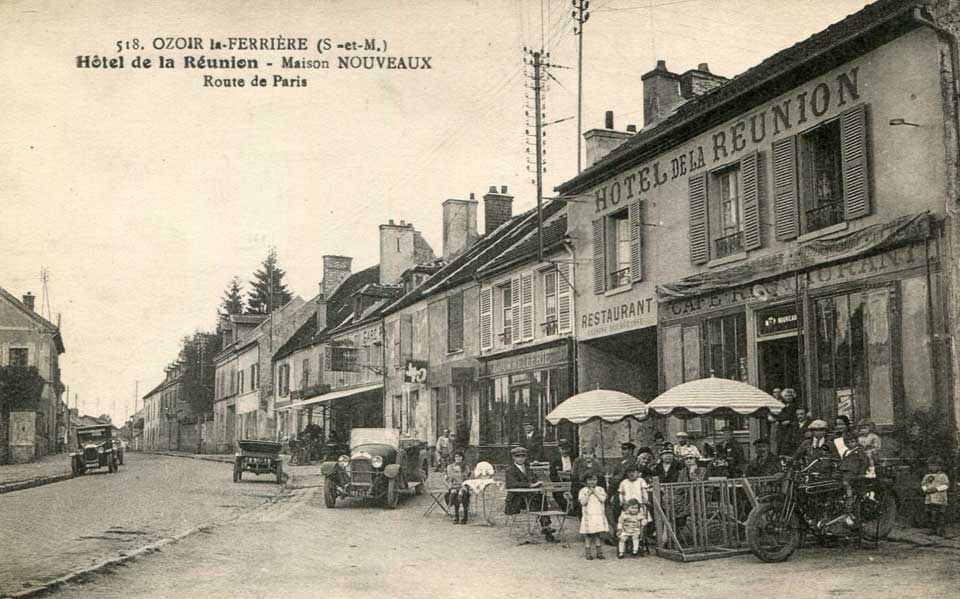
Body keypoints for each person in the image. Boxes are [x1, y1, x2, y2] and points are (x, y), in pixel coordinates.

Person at [504, 446, 555, 542]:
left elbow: (535, 480)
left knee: (541, 497)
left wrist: (539, 483)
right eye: (518, 456)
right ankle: (545, 525)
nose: (521, 459)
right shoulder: (510, 470)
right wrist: (530, 485)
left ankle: (545, 526)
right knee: (540, 501)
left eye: (523, 456)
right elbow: (512, 484)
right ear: (513, 458)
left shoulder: (528, 469)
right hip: (517, 500)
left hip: (530, 498)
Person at [578, 474, 609, 560]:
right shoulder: (583, 491)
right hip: (588, 516)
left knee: (597, 534)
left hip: (598, 515)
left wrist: (595, 492)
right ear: (585, 481)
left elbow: (603, 499)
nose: (592, 482)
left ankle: (599, 552)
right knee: (588, 535)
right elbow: (583, 502)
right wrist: (588, 493)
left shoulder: (600, 489)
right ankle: (588, 553)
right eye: (589, 480)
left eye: (594, 479)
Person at [921, 456, 950, 537]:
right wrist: (925, 489)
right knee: (931, 514)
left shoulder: (943, 476)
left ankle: (941, 530)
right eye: (930, 465)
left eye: (934, 465)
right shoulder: (927, 476)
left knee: (940, 514)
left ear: (940, 466)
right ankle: (933, 529)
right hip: (930, 499)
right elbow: (923, 484)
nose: (932, 467)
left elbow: (946, 485)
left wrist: (937, 489)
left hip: (940, 499)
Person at [444, 450, 471, 524]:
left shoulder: (465, 467)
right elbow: (448, 479)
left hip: (463, 486)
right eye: (456, 457)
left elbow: (467, 479)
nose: (458, 458)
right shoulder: (450, 467)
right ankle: (456, 516)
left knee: (462, 495)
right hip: (454, 486)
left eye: (459, 457)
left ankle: (465, 517)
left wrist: (464, 486)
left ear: (462, 458)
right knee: (453, 494)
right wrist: (449, 484)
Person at [549, 442, 575, 511]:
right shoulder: (555, 460)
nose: (565, 451)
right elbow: (552, 474)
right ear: (559, 449)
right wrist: (560, 480)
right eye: (562, 449)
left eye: (566, 449)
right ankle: (567, 509)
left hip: (572, 481)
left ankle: (575, 509)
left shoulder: (574, 458)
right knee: (556, 492)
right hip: (560, 481)